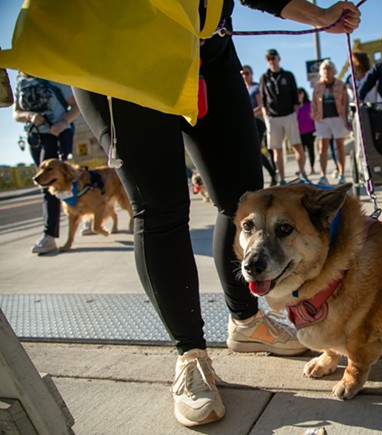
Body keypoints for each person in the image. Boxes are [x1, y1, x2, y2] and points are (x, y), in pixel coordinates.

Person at [72, 0, 360, 428]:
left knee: (240, 198)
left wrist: (316, 15)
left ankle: (246, 322)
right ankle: (190, 355)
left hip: (208, 49)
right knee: (161, 208)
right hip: (118, 48)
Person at [13, 72, 80, 254]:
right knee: (46, 183)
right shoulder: (21, 82)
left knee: (58, 181)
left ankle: (50, 236)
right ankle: (56, 232)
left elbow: (76, 106)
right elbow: (16, 113)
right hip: (35, 135)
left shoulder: (51, 74)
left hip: (57, 133)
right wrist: (29, 116)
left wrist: (63, 122)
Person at [260, 48, 308, 185]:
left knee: (297, 145)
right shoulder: (264, 78)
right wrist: (266, 119)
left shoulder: (288, 75)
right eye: (269, 59)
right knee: (277, 149)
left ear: (278, 58)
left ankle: (302, 173)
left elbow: (295, 98)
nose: (271, 61)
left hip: (289, 115)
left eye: (273, 58)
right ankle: (281, 178)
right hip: (272, 117)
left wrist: (295, 115)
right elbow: (263, 101)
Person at [311, 59, 350, 185]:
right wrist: (315, 116)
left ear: (334, 71)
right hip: (322, 119)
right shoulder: (317, 86)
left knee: (340, 146)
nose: (326, 71)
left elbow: (345, 102)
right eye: (324, 69)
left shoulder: (340, 84)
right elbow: (314, 103)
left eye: (329, 69)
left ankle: (342, 173)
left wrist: (345, 117)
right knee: (323, 147)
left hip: (338, 117)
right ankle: (323, 176)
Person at [241, 64, 277, 186]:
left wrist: (250, 113)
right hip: (246, 123)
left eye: (247, 73)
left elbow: (262, 106)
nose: (245, 76)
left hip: (258, 121)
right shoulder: (241, 89)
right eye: (242, 74)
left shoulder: (256, 88)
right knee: (248, 151)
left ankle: (272, 173)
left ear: (251, 74)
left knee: (256, 150)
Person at [297, 87, 316, 175]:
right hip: (299, 131)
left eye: (301, 93)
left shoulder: (309, 104)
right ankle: (302, 169)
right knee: (301, 151)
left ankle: (312, 168)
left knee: (310, 150)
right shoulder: (295, 106)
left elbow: (313, 115)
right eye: (298, 93)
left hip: (310, 130)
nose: (299, 95)